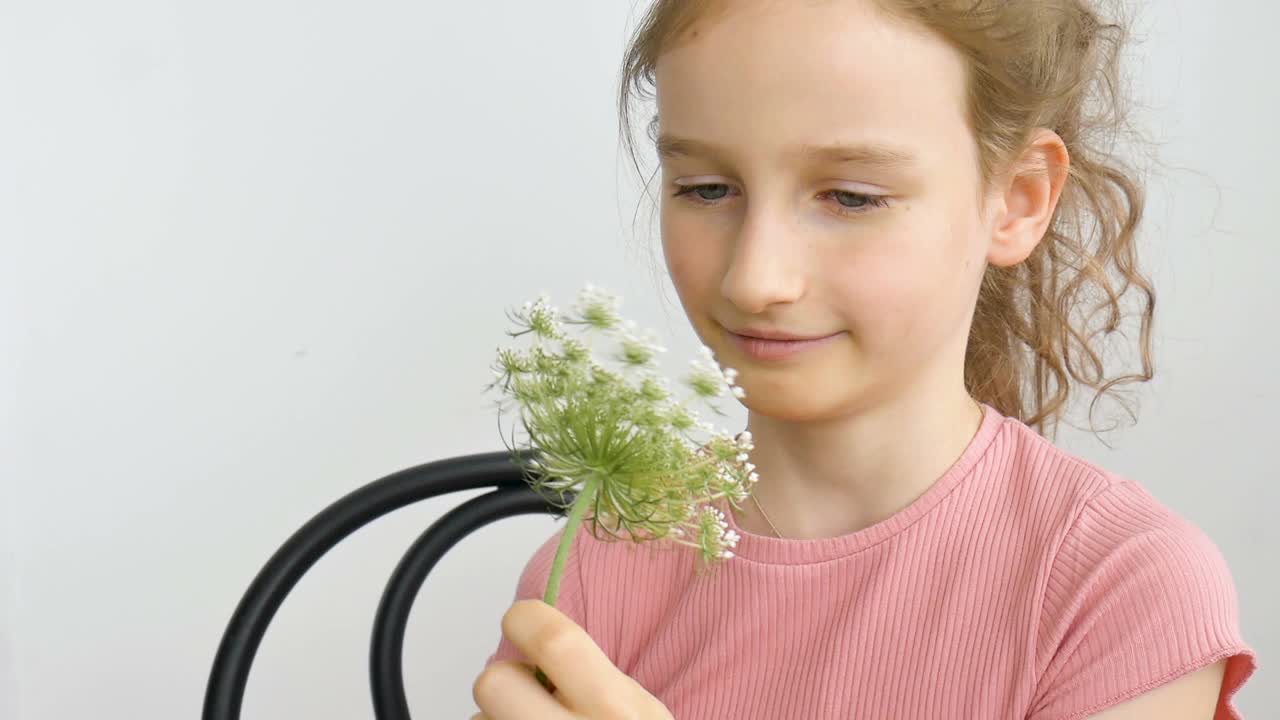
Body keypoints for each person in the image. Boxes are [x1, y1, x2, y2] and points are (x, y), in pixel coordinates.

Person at [471, 1, 1257, 718]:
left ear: (1018, 198)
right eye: (708, 189)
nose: (756, 278)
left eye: (851, 197)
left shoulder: (1116, 587)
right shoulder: (601, 559)